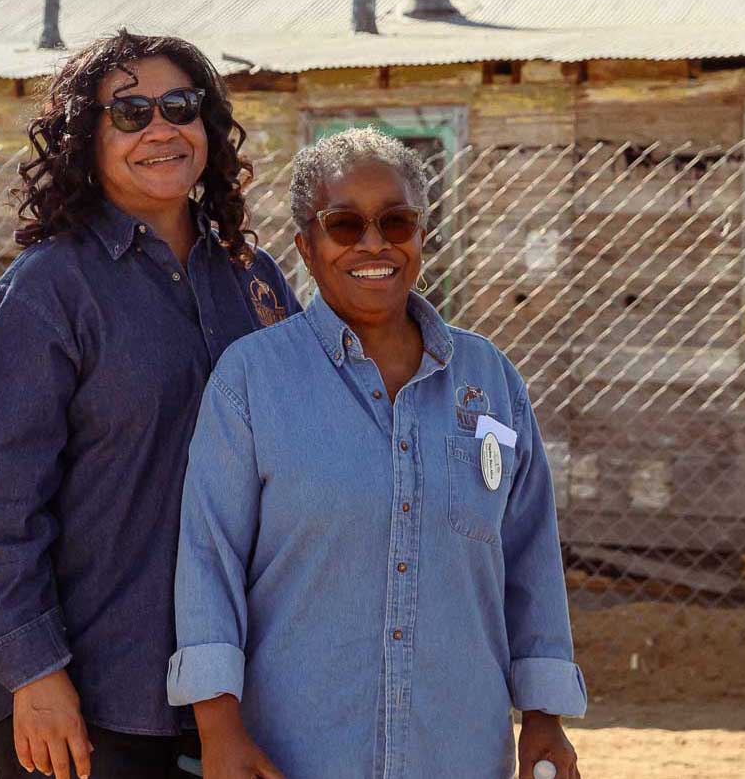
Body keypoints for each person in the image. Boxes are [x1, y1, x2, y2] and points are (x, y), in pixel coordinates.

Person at [168, 127, 586, 779]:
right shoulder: (252, 380)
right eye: (345, 225)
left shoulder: (492, 381)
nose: (374, 244)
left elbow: (530, 560)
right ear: (306, 245)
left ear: (422, 235)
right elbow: (207, 558)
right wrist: (218, 730)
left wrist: (544, 718)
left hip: (459, 753)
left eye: (396, 221)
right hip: (296, 753)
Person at [0, 31, 299, 779]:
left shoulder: (255, 279)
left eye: (179, 106)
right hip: (91, 699)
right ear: (86, 140)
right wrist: (35, 674)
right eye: (130, 113)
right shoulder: (49, 291)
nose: (161, 129)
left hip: (237, 692)